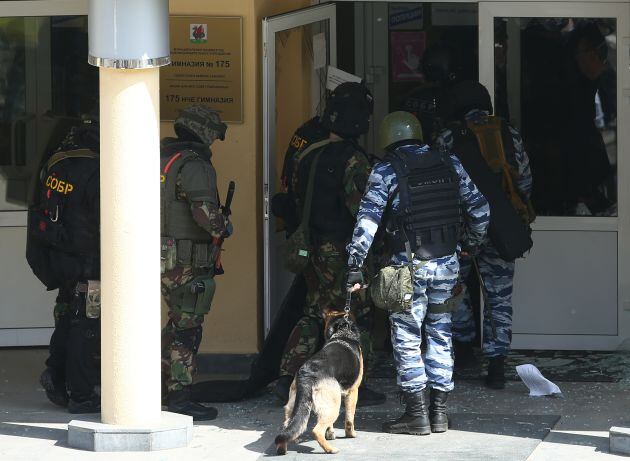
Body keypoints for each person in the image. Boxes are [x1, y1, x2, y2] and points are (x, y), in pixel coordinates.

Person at [347, 111, 489, 435]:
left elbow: (367, 221)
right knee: (441, 332)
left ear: (387, 139)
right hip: (447, 264)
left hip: (406, 269)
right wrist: (469, 245)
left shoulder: (386, 169)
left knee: (407, 337)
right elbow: (481, 210)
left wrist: (355, 265)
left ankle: (416, 414)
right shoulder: (449, 161)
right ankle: (439, 413)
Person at [274, 82, 385, 406]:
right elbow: (362, 209)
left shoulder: (307, 155)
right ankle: (354, 386)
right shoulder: (354, 161)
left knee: (312, 313)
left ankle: (286, 376)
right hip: (343, 252)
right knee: (354, 315)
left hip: (312, 248)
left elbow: (294, 198)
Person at [436, 81, 533, 389]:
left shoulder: (449, 137)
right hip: (502, 225)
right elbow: (525, 182)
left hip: (462, 228)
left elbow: (439, 184)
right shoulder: (509, 133)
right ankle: (496, 365)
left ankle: (462, 346)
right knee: (499, 296)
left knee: (454, 286)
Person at [160, 105, 232, 421]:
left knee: (174, 326)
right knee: (187, 329)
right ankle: (180, 396)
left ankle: (161, 387)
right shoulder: (195, 165)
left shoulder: (161, 158)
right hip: (184, 261)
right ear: (203, 131)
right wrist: (223, 226)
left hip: (158, 253)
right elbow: (206, 216)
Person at [27, 119, 102, 413]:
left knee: (69, 319)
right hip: (89, 262)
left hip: (61, 258)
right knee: (86, 327)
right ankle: (81, 395)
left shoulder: (58, 161)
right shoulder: (95, 168)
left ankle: (55, 376)